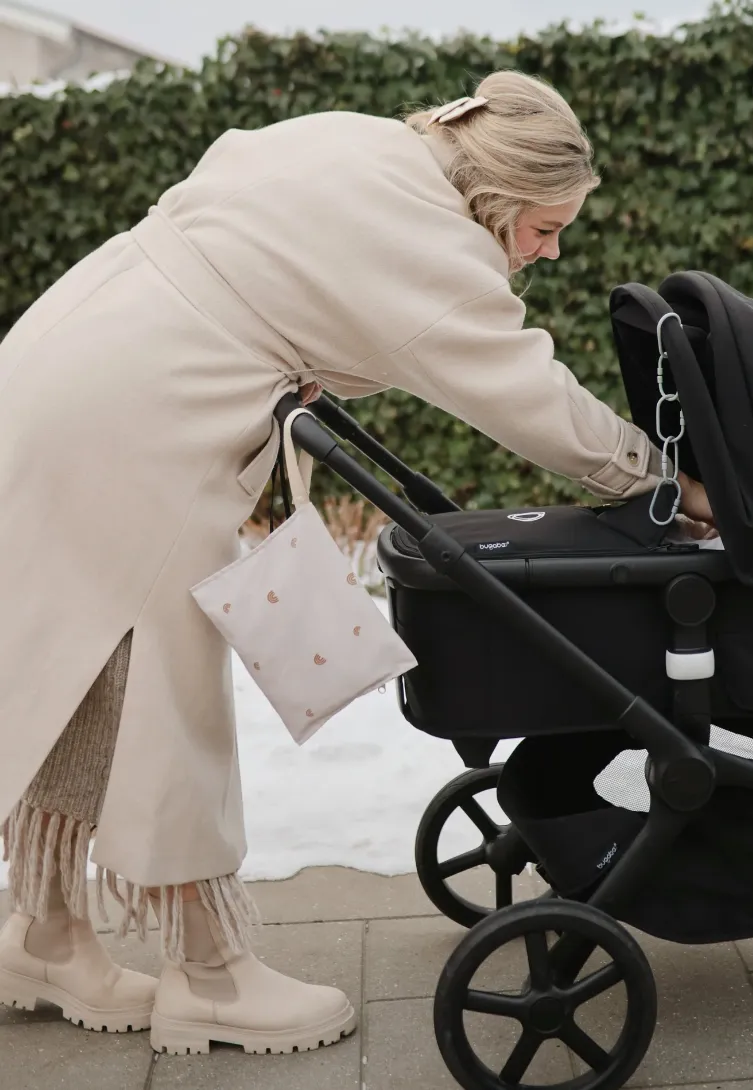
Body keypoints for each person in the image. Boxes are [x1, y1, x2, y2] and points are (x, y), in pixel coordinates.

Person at [0, 69, 714, 1056]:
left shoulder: (366, 141)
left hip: (62, 354)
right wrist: (659, 478)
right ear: (499, 197)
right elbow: (527, 395)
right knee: (163, 681)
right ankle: (208, 974)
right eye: (545, 228)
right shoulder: (430, 242)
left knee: (92, 667)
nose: (549, 250)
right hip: (133, 417)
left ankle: (43, 934)